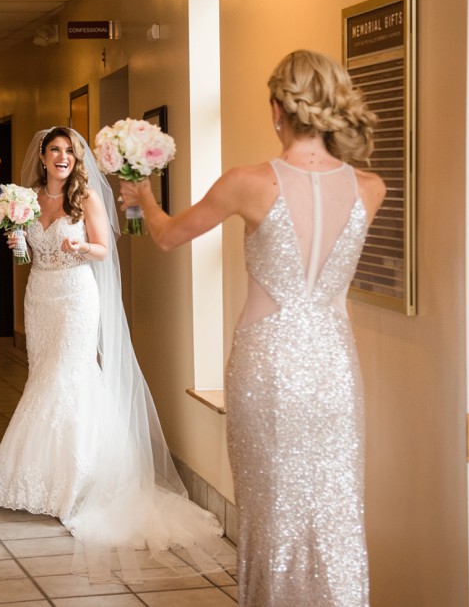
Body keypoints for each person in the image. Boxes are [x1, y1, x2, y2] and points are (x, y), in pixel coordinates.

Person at [119, 49, 386, 606]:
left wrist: (141, 198)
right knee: (335, 507)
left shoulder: (248, 182)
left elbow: (166, 237)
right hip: (335, 364)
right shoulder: (370, 188)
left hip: (268, 363)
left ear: (276, 110)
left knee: (271, 508)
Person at [0, 127, 237, 584]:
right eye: (55, 150)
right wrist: (17, 243)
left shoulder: (87, 200)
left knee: (69, 375)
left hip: (78, 296)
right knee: (43, 377)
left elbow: (104, 248)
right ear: (42, 155)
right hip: (40, 296)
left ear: (78, 161)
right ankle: (43, 481)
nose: (62, 157)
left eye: (70, 152)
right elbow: (25, 254)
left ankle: (80, 483)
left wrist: (79, 246)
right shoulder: (27, 199)